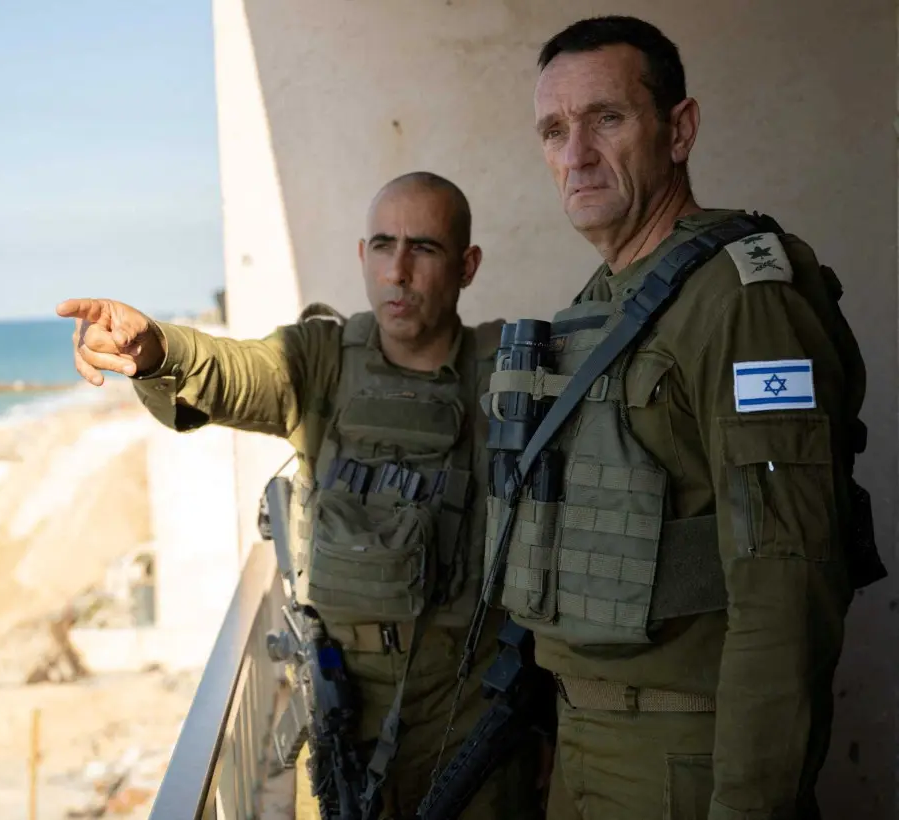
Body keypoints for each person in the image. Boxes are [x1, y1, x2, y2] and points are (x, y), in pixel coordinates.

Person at [478, 14, 882, 820]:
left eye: (607, 118)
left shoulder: (744, 300)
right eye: (554, 131)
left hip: (686, 760)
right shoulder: (598, 302)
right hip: (584, 744)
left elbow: (786, 585)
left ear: (680, 130)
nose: (577, 155)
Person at [57, 172, 547, 818]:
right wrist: (156, 349)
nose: (397, 270)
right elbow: (232, 373)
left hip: (469, 714)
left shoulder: (508, 373)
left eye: (424, 249)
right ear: (361, 256)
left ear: (467, 265)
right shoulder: (322, 359)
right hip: (343, 707)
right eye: (382, 245)